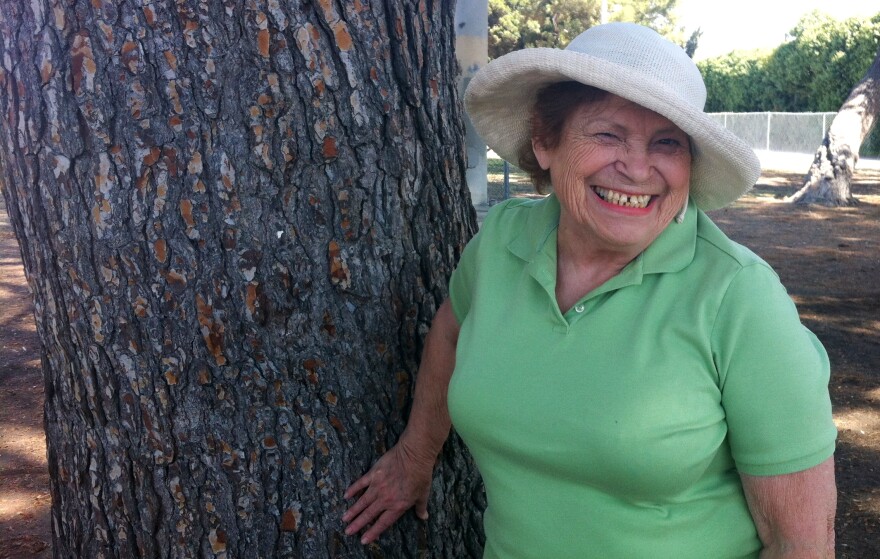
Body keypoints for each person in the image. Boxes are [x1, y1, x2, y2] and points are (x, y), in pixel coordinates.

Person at [342, 22, 837, 558]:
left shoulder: (740, 297)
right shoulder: (503, 240)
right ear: (544, 140)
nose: (637, 168)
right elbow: (451, 330)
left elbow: (801, 542)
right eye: (608, 135)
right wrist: (415, 456)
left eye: (667, 142)